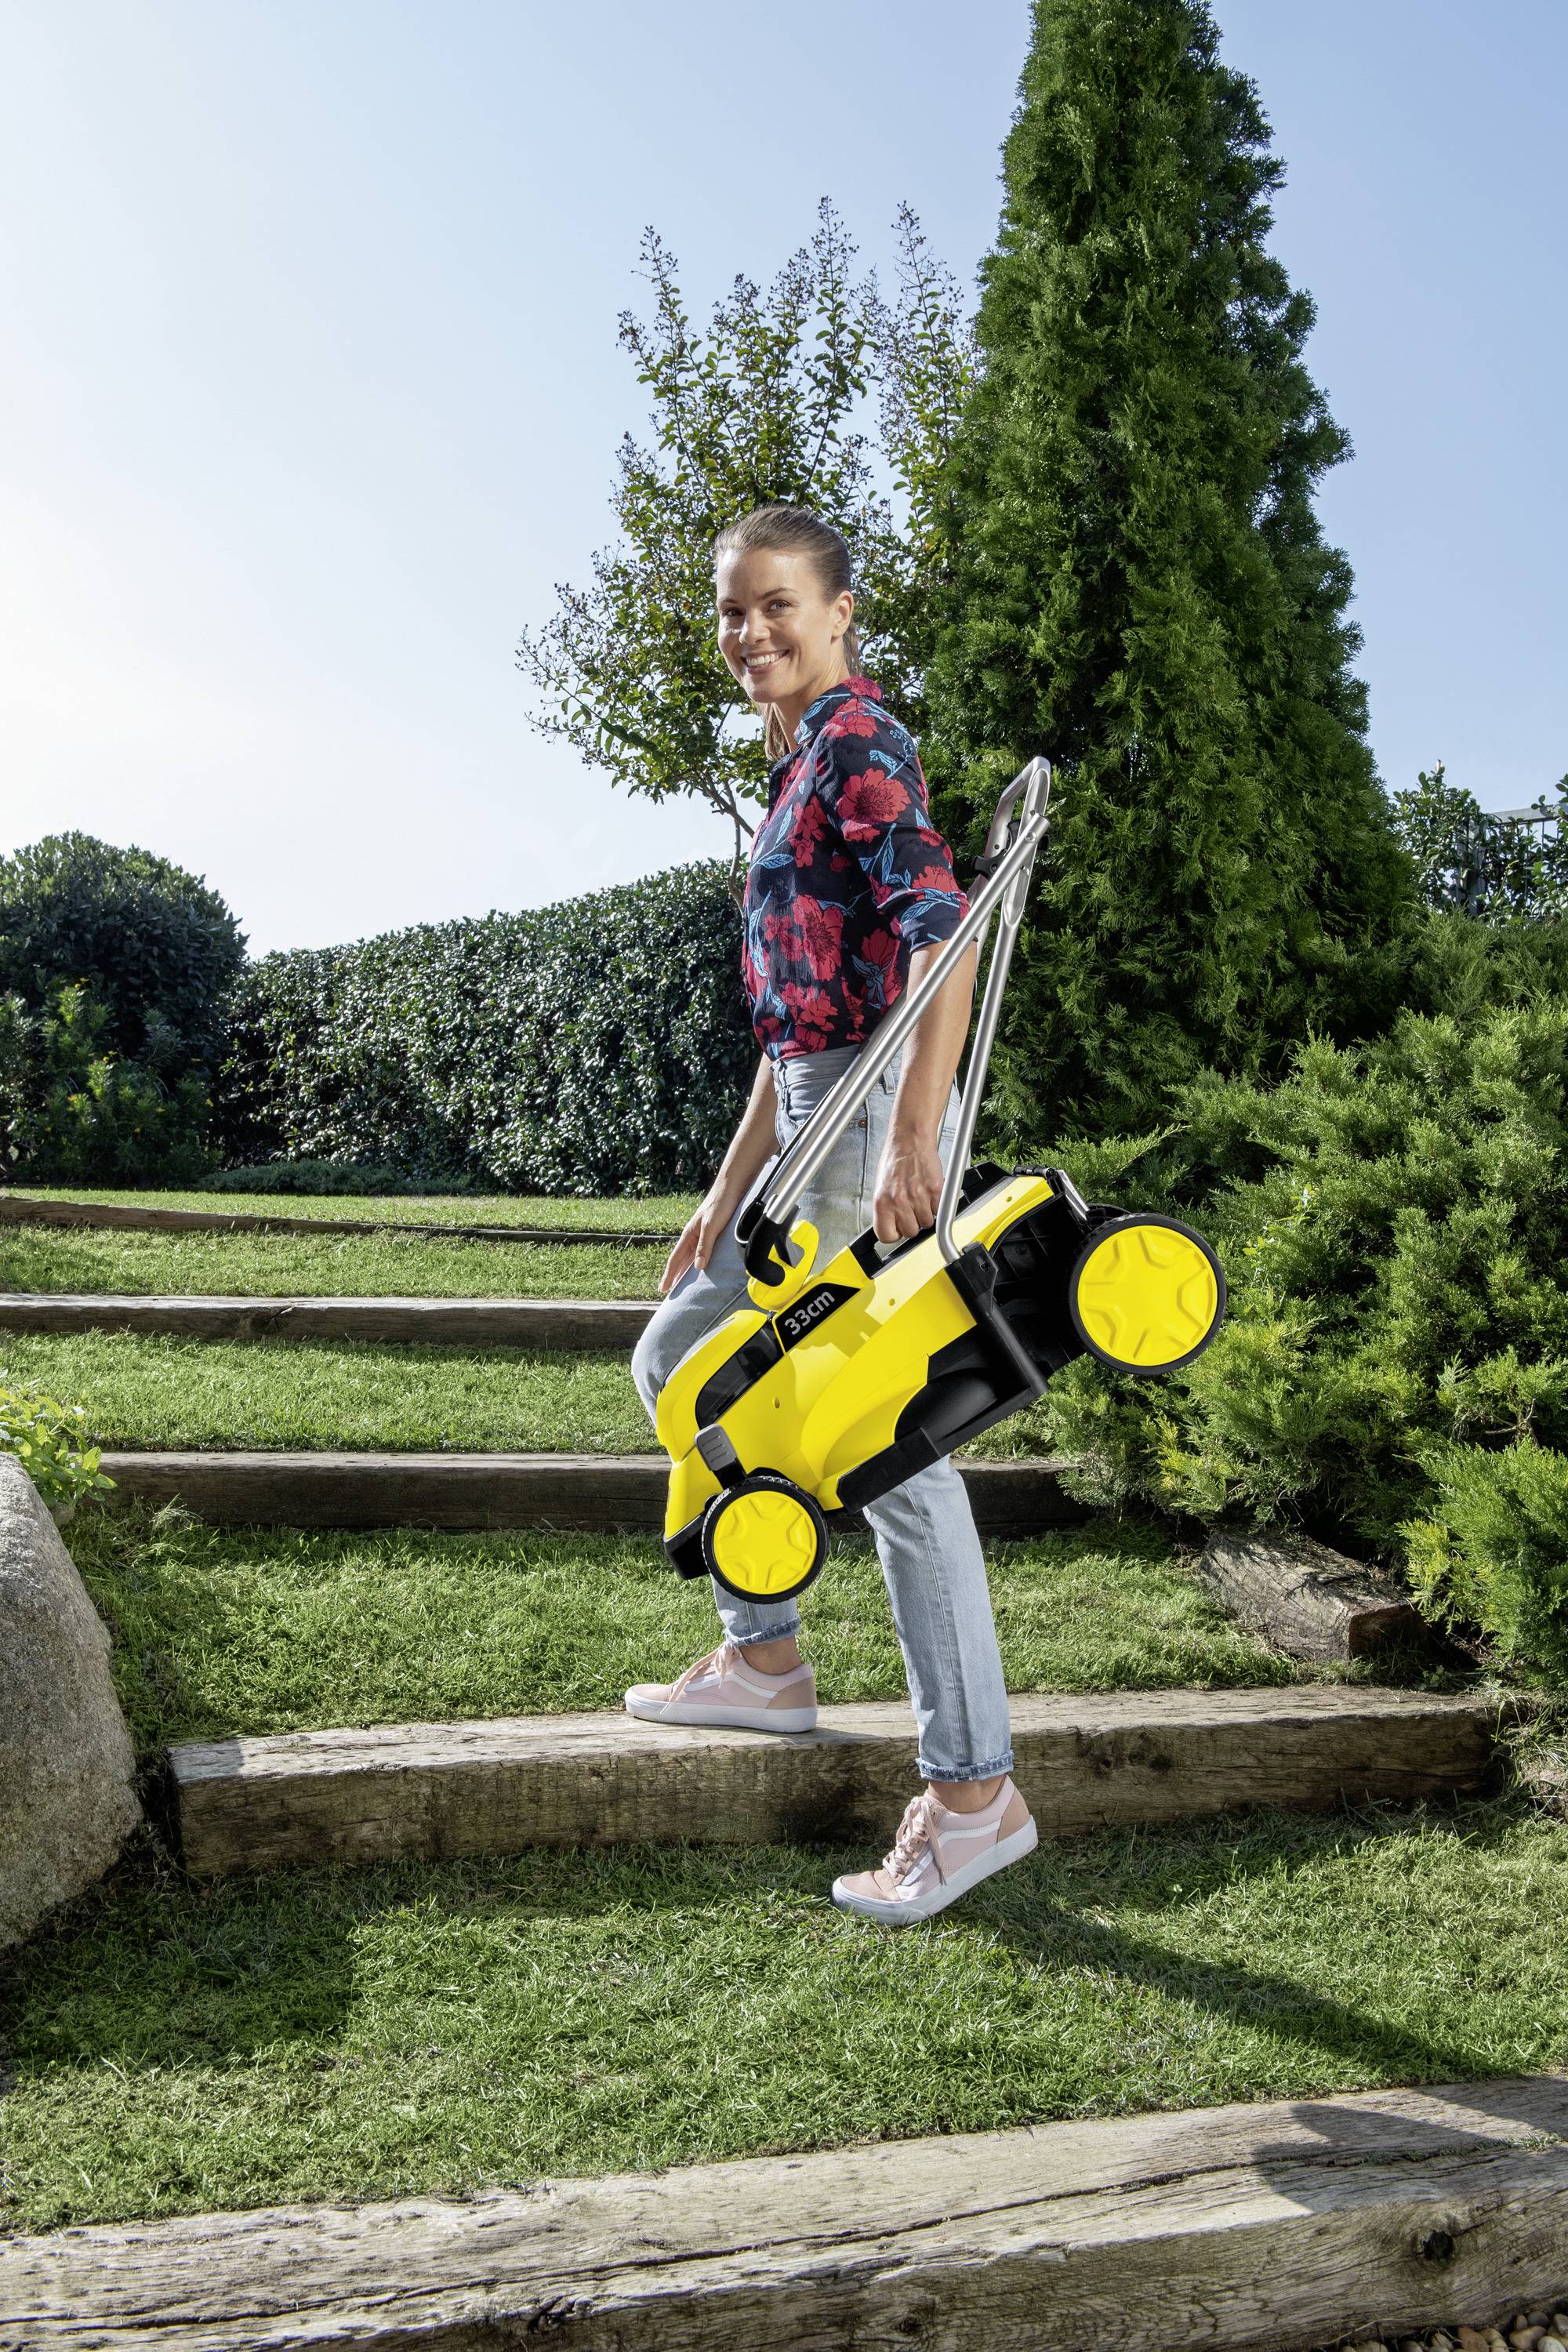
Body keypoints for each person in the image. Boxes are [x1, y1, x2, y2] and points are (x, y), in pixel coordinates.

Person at [626, 503, 1036, 1925]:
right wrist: (724, 1189)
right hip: (808, 1117)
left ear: (842, 610)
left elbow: (949, 937)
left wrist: (918, 1137)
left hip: (863, 1132)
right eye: (734, 610)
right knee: (678, 1352)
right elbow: (786, 1025)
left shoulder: (860, 743)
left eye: (777, 605)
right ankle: (768, 1662)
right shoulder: (797, 763)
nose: (750, 633)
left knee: (892, 1454)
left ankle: (975, 1793)